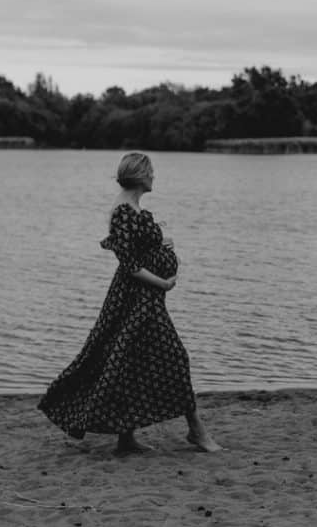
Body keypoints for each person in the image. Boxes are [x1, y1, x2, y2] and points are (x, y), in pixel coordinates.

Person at [38, 152, 221, 455]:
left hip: (147, 299)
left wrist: (164, 244)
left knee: (129, 362)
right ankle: (196, 431)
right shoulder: (123, 210)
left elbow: (139, 247)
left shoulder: (134, 208)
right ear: (140, 174)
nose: (154, 176)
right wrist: (163, 282)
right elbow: (129, 263)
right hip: (134, 300)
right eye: (151, 171)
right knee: (174, 357)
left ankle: (126, 439)